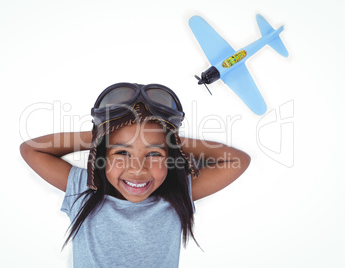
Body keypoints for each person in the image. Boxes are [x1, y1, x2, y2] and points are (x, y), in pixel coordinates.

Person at [20, 82, 250, 268]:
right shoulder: (84, 189)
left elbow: (237, 161)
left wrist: (171, 139)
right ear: (102, 155)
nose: (138, 169)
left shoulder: (176, 195)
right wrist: (101, 135)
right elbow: (31, 149)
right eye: (122, 152)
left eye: (154, 154)